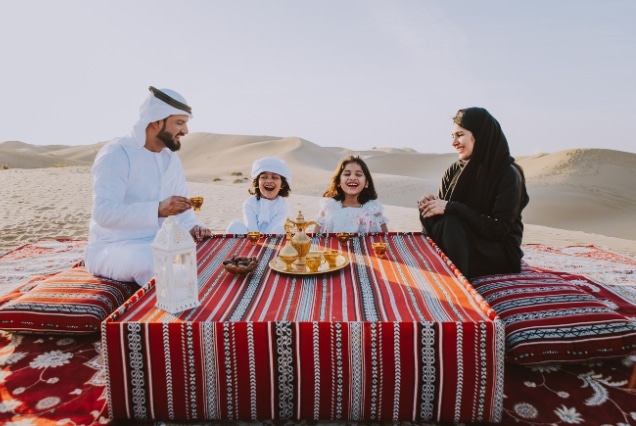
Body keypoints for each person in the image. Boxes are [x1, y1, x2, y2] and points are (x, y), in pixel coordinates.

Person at [84, 86, 212, 286]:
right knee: (154, 260)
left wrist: (193, 225)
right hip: (115, 246)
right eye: (179, 123)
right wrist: (158, 209)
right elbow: (104, 213)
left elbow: (182, 208)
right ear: (155, 121)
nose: (185, 131)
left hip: (160, 240)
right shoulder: (117, 154)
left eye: (185, 124)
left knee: (206, 252)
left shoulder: (171, 159)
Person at [418, 107, 529, 279]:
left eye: (460, 135)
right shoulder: (453, 171)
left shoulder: (507, 174)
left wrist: (454, 208)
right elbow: (444, 219)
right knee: (445, 223)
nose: (454, 143)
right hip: (460, 244)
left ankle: (456, 285)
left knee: (450, 224)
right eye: (452, 136)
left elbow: (499, 229)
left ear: (480, 135)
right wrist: (429, 208)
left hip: (497, 251)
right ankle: (448, 273)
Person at [316, 155, 389, 233]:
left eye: (358, 174)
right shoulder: (329, 207)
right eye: (347, 174)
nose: (352, 178)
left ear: (366, 183)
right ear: (338, 182)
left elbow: (385, 239)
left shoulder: (373, 208)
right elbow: (315, 239)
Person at [225, 157, 292, 234]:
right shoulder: (250, 203)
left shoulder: (283, 205)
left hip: (272, 241)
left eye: (274, 177)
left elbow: (273, 230)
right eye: (264, 177)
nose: (269, 181)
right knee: (235, 225)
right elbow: (252, 229)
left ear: (282, 184)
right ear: (257, 182)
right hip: (251, 239)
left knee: (280, 230)